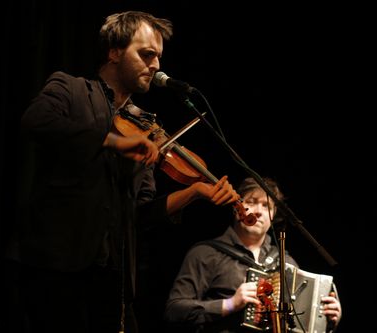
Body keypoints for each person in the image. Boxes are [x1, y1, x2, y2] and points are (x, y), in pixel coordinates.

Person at [17, 11, 243, 333]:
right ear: (114, 51)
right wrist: (111, 142)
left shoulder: (145, 130)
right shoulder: (71, 88)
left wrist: (194, 192)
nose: (155, 65)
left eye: (158, 57)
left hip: (113, 280)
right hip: (56, 268)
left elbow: (141, 214)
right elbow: (35, 121)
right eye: (146, 54)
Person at [164, 177, 342, 333]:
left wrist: (327, 320)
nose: (258, 211)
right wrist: (229, 304)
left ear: (274, 215)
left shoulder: (286, 263)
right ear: (237, 207)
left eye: (267, 206)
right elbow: (174, 311)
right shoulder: (206, 253)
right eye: (251, 201)